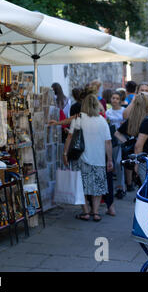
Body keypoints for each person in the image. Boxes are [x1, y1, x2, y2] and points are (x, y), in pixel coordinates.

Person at [63, 94, 113, 222]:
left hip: (81, 158)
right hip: (99, 159)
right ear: (97, 105)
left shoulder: (79, 118)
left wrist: (65, 154)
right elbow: (108, 142)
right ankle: (96, 213)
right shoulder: (102, 121)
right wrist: (110, 160)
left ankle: (85, 212)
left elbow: (70, 137)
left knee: (81, 187)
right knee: (97, 187)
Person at [114, 93, 148, 192]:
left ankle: (131, 185)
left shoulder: (132, 119)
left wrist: (127, 142)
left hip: (137, 152)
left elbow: (117, 133)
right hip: (145, 152)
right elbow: (117, 133)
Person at [106, 91, 125, 202]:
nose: (115, 100)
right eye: (113, 98)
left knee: (119, 163)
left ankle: (120, 187)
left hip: (121, 139)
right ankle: (114, 188)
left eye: (117, 98)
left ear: (120, 100)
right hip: (111, 139)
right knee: (112, 164)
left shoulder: (123, 111)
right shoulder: (108, 112)